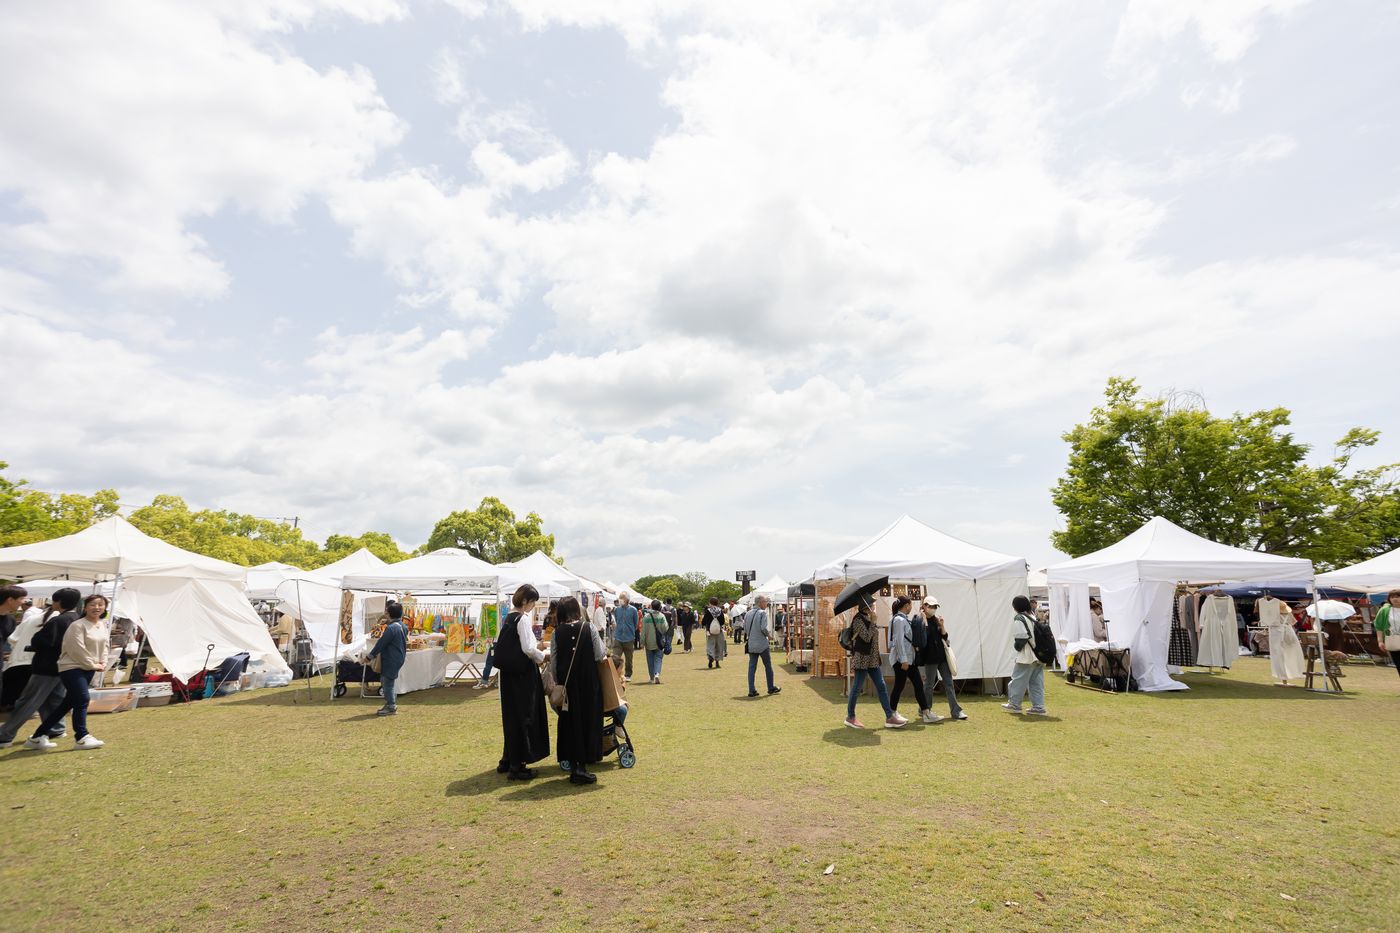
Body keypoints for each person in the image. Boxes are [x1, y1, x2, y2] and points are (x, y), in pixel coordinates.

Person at [0, 587, 80, 748]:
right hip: (62, 666)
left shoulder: (58, 620)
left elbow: (40, 641)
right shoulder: (75, 619)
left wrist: (35, 644)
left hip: (45, 667)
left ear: (58, 602)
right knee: (54, 699)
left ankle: (5, 735)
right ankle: (56, 728)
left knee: (29, 700)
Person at [28, 594, 110, 750]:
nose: (97, 607)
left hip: (90, 668)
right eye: (92, 604)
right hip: (72, 668)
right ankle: (82, 737)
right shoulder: (77, 625)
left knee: (66, 704)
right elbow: (76, 649)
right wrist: (93, 664)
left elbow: (105, 646)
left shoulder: (102, 624)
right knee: (83, 699)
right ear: (85, 607)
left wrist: (103, 661)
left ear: (105, 607)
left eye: (100, 604)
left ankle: (37, 737)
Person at [496, 584, 549, 780]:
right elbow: (528, 648)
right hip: (522, 674)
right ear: (526, 601)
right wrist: (542, 656)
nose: (533, 605)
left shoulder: (509, 617)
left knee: (511, 716)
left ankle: (508, 759)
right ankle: (518, 765)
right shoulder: (522, 619)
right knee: (524, 715)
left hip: (509, 675)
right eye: (533, 601)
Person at [551, 596, 605, 785]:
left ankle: (574, 766)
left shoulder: (556, 633)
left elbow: (554, 663)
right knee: (588, 722)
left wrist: (559, 681)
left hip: (567, 685)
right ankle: (582, 767)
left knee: (570, 724)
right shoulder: (588, 628)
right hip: (589, 683)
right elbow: (600, 653)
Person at [845, 594, 904, 729]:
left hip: (872, 659)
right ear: (867, 607)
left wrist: (872, 621)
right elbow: (866, 637)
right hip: (862, 658)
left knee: (881, 686)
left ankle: (889, 717)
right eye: (872, 605)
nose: (874, 607)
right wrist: (873, 622)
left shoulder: (868, 618)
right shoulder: (858, 620)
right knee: (856, 688)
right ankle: (850, 716)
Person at [887, 596, 937, 723]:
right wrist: (903, 660)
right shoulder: (899, 620)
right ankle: (892, 713)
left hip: (909, 659)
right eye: (910, 604)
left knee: (918, 685)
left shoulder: (902, 619)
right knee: (899, 685)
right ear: (907, 605)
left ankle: (926, 712)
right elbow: (898, 640)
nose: (911, 607)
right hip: (902, 660)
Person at [915, 596, 966, 720]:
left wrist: (942, 626)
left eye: (934, 607)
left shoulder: (936, 620)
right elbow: (922, 638)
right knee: (929, 685)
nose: (933, 609)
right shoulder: (918, 619)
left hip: (941, 657)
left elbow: (944, 636)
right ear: (924, 606)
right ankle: (925, 710)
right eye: (930, 606)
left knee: (949, 683)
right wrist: (924, 620)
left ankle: (956, 711)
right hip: (929, 658)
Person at [1003, 595, 1048, 716]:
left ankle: (1014, 704)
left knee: (1017, 680)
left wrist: (1016, 647)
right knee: (1036, 683)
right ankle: (1039, 707)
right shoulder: (1032, 616)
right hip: (1038, 655)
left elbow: (1021, 636)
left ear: (1016, 606)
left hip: (1027, 655)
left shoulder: (1019, 618)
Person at [368, 601, 408, 715]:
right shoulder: (403, 626)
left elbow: (381, 644)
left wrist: (370, 656)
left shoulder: (391, 628)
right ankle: (390, 703)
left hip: (391, 658)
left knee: (387, 683)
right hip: (398, 657)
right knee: (387, 681)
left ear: (389, 614)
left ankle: (391, 707)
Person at [743, 595, 780, 698]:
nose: (766, 603)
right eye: (765, 602)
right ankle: (770, 687)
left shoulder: (748, 613)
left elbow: (745, 629)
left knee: (752, 667)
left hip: (751, 643)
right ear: (759, 603)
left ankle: (751, 690)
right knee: (768, 666)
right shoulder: (762, 613)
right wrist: (768, 635)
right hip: (762, 644)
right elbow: (763, 628)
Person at [0, 585, 30, 710]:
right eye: (22, 598)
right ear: (10, 600)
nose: (24, 602)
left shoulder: (10, 620)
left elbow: (12, 641)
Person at [610, 593, 639, 682]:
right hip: (618, 637)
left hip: (629, 638)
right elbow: (617, 620)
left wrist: (631, 631)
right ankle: (615, 674)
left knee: (629, 658)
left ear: (627, 599)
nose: (620, 600)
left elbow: (636, 623)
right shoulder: (617, 610)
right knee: (615, 657)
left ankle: (628, 675)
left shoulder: (633, 610)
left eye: (622, 598)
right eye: (619, 598)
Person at [641, 599, 670, 684]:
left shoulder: (646, 617)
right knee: (658, 659)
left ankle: (651, 678)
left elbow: (643, 631)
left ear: (652, 606)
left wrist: (642, 642)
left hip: (648, 642)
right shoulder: (661, 616)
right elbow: (665, 628)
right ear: (659, 607)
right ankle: (657, 673)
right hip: (659, 642)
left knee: (650, 660)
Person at [1374, 590, 1400, 678]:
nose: (1395, 599)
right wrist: (1380, 641)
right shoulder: (1385, 610)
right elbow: (1379, 626)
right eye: (1392, 597)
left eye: (1397, 596)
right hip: (1393, 641)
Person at [704, 598, 727, 669]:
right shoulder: (720, 611)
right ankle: (717, 662)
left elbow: (704, 621)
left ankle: (711, 657)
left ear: (711, 603)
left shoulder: (708, 611)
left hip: (710, 631)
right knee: (719, 645)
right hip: (718, 630)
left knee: (710, 645)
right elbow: (723, 621)